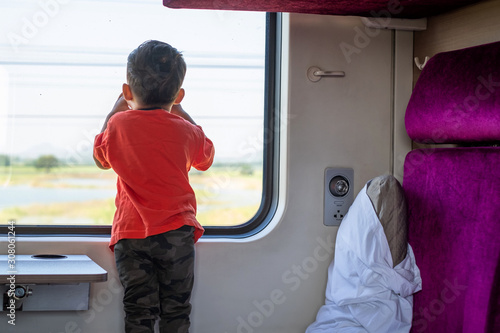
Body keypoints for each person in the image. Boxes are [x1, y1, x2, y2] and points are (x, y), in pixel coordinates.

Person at [93, 40, 215, 333]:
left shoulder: (118, 125)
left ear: (127, 92)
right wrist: (181, 113)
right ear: (179, 95)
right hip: (177, 233)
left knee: (139, 312)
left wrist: (114, 110)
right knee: (176, 310)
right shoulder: (187, 131)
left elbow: (100, 158)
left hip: (131, 236)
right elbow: (206, 159)